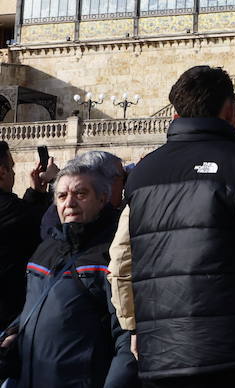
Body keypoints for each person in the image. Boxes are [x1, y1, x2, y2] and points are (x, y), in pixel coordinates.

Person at [108, 65, 235, 387]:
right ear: (230, 111)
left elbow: (121, 261)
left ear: (175, 116)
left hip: (161, 351)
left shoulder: (142, 176)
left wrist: (133, 326)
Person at [0, 163, 136, 387]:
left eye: (80, 194)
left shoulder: (112, 255)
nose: (69, 203)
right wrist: (15, 333)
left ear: (102, 199)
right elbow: (34, 305)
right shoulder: (46, 249)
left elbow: (127, 336)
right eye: (62, 196)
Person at [0, 142, 51, 327]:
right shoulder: (11, 209)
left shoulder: (12, 210)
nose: (14, 173)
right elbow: (42, 224)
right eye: (11, 168)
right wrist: (51, 184)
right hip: (9, 315)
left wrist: (35, 193)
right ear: (2, 172)